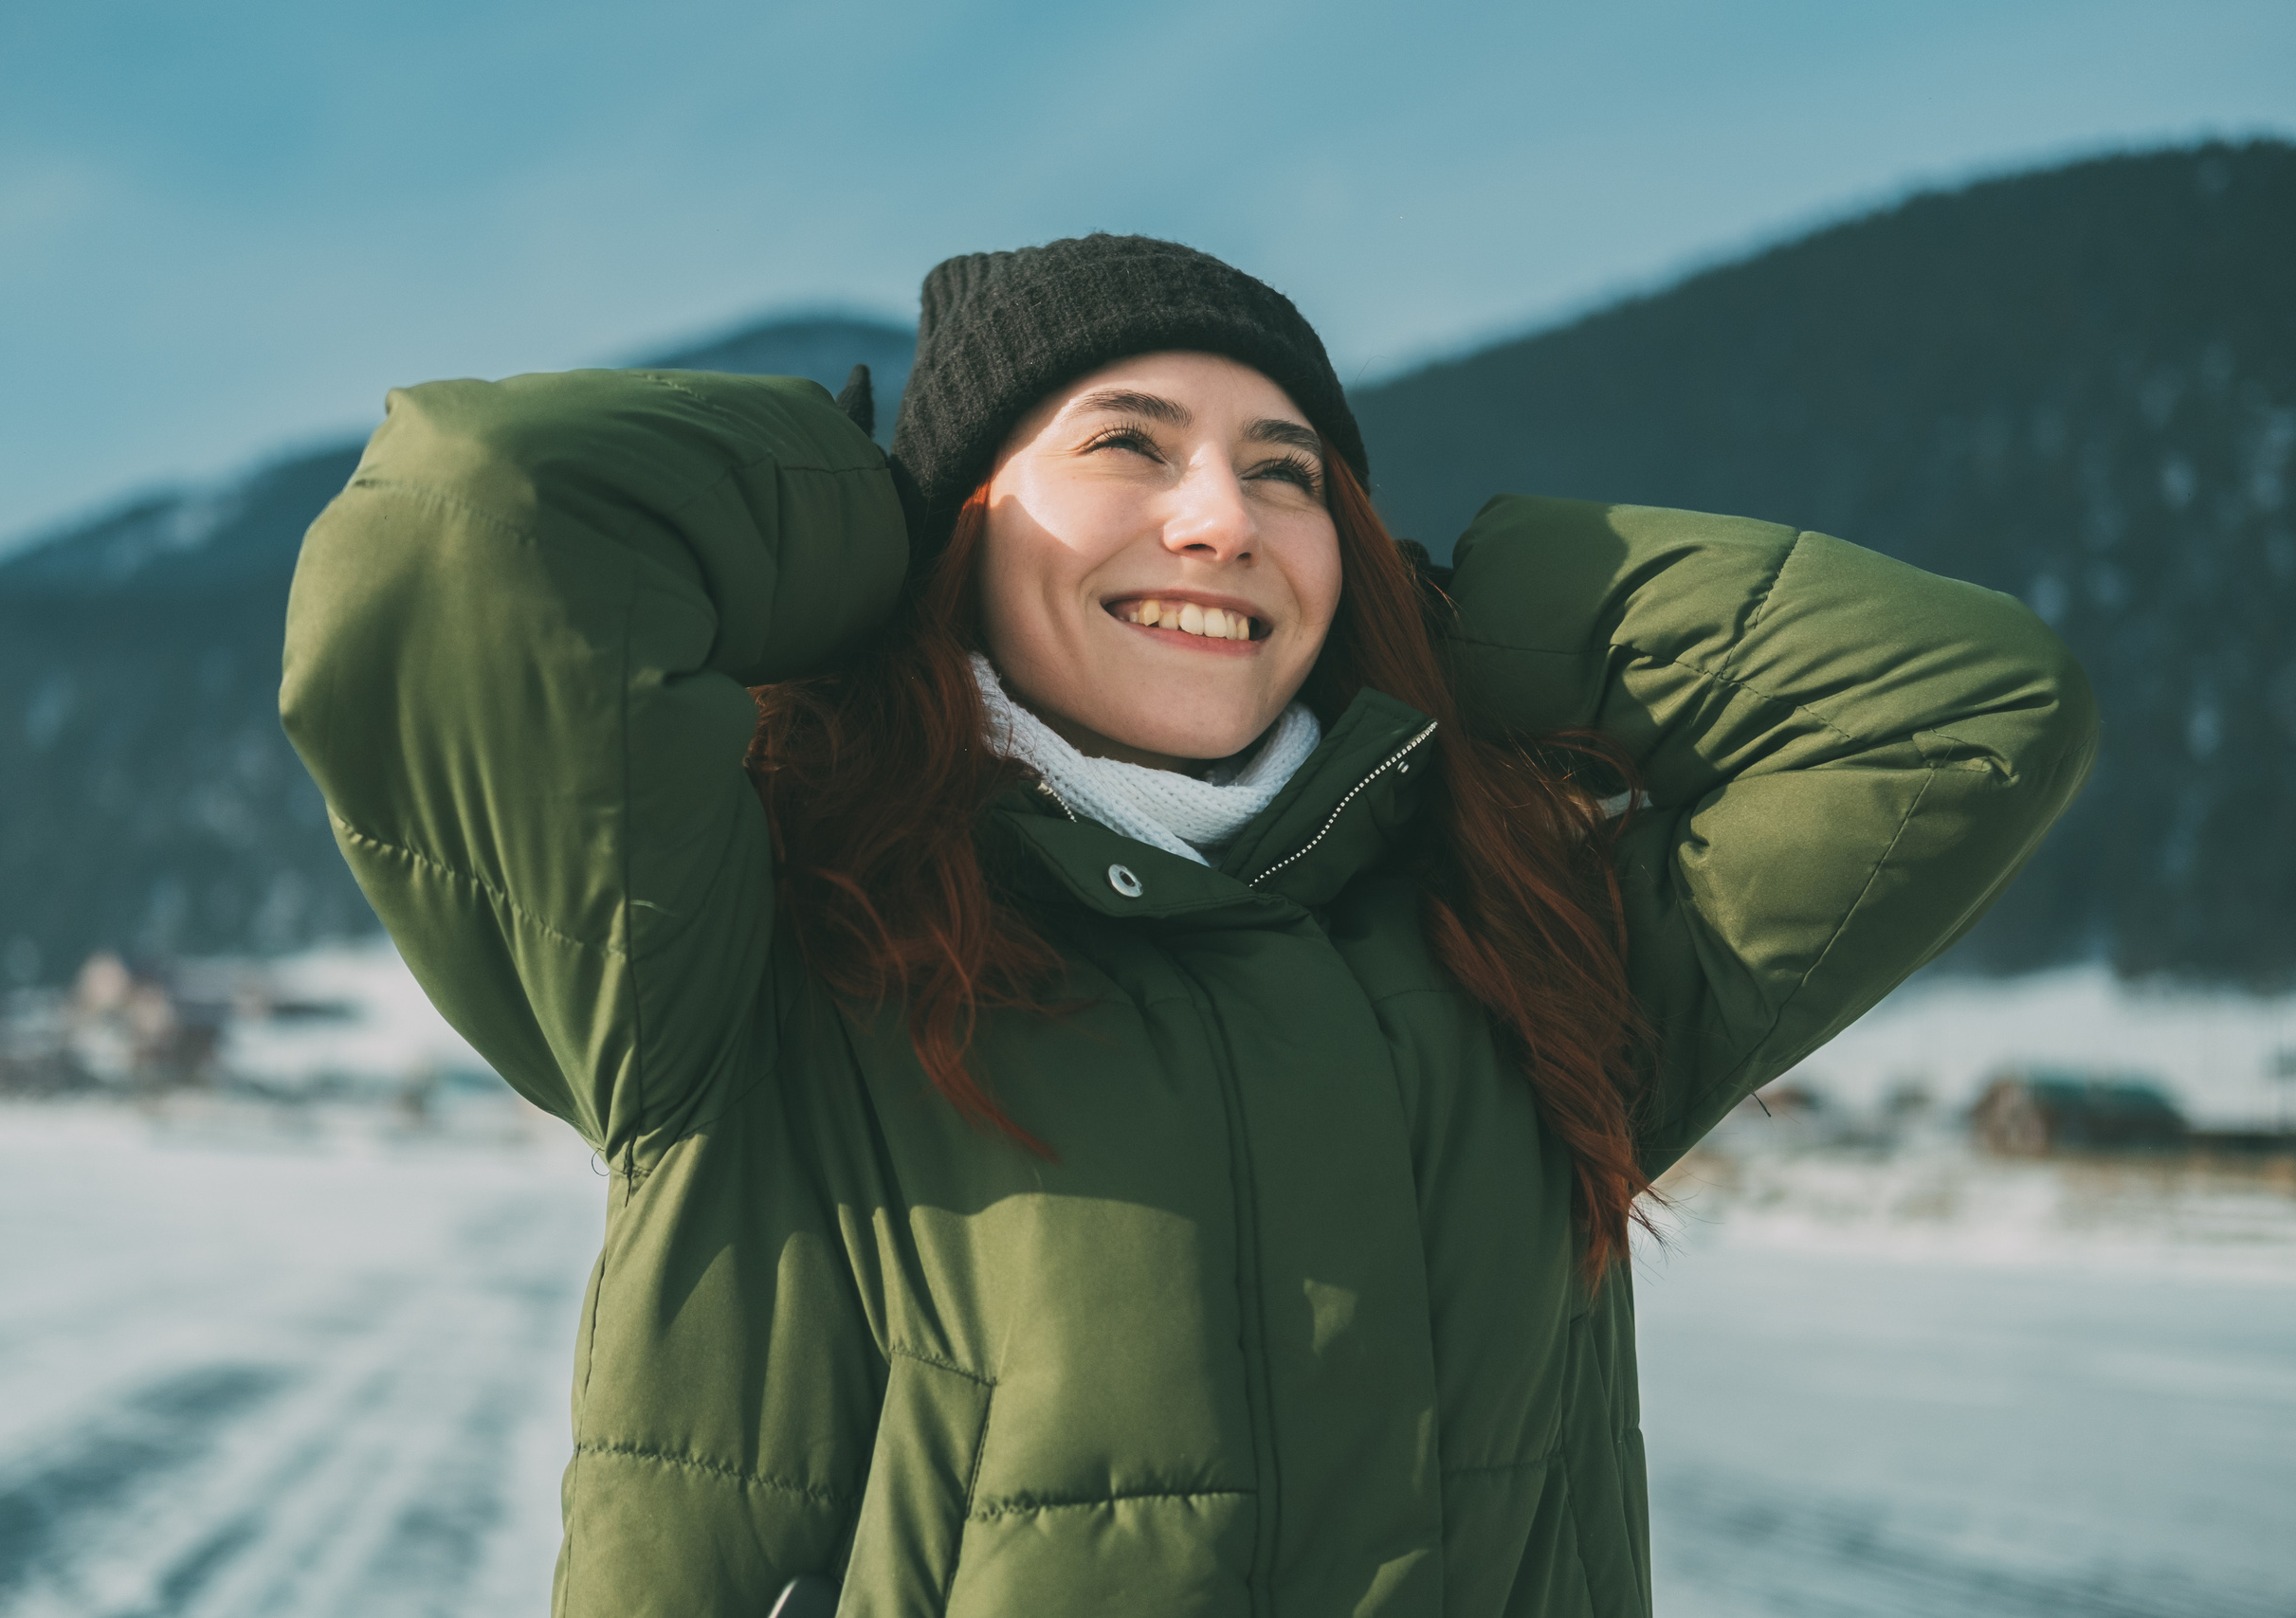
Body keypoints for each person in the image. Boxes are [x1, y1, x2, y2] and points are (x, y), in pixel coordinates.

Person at [281, 234, 2096, 1618]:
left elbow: (1970, 706)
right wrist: (874, 531)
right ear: (960, 528)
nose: (1221, 517)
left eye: (1290, 473)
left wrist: (1419, 611)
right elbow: (471, 529)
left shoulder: (1522, 953)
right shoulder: (752, 945)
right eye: (1127, 448)